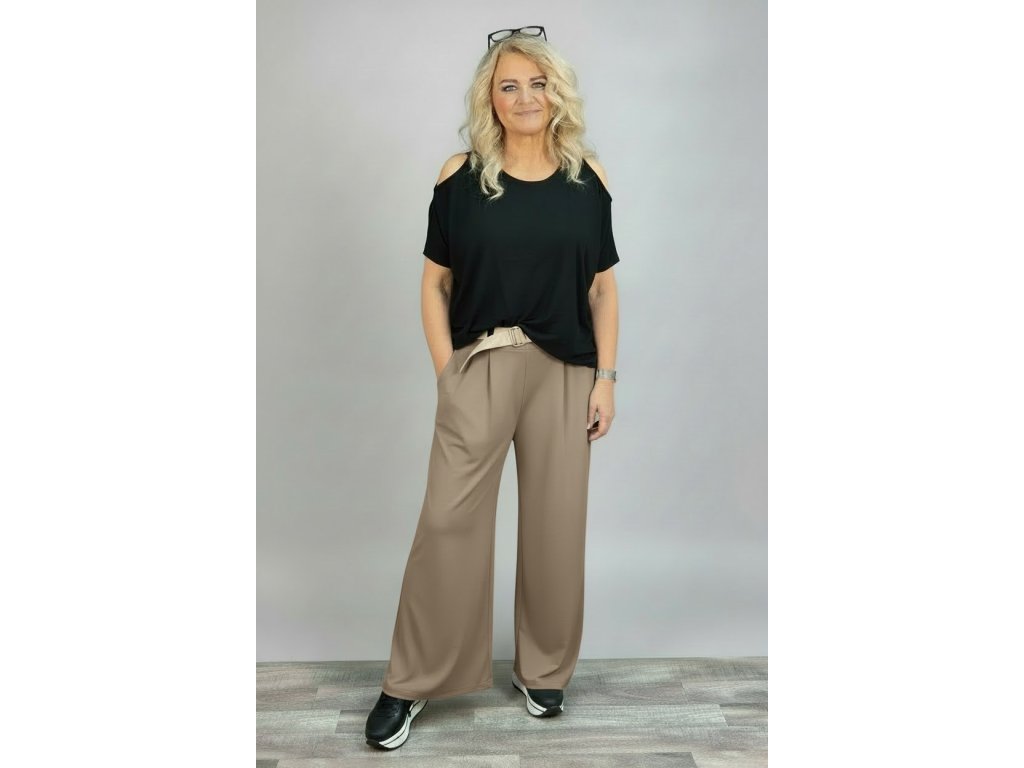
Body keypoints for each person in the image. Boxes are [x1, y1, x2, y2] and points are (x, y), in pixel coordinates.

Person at [365, 25, 621, 750]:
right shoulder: (460, 176)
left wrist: (605, 379)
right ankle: (412, 681)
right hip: (479, 364)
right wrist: (447, 371)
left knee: (556, 526)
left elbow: (603, 289)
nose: (525, 97)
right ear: (490, 98)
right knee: (448, 523)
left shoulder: (589, 179)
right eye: (509, 86)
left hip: (567, 372)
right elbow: (434, 284)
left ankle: (544, 670)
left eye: (538, 84)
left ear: (557, 94)